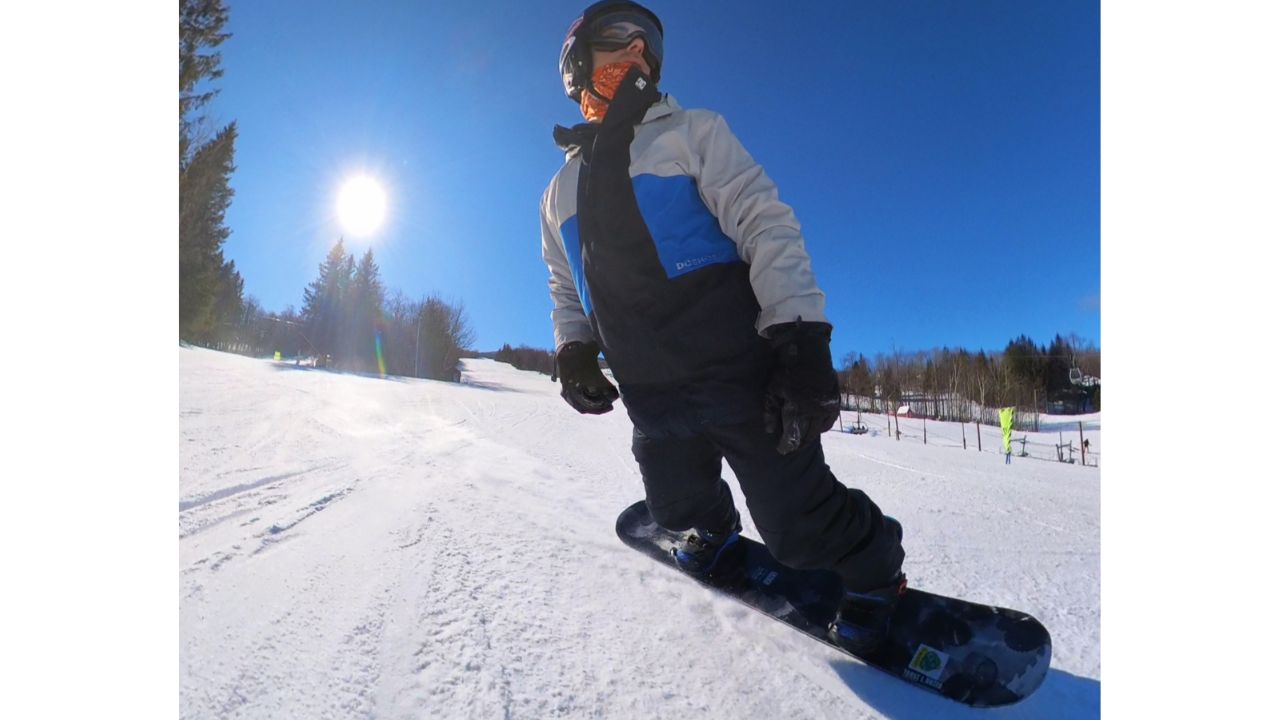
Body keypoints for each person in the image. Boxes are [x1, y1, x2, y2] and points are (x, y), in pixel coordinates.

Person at [540, 0, 905, 655]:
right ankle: (711, 529)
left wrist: (800, 337)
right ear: (576, 63)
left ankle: (876, 573)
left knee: (801, 528)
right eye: (619, 40)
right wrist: (574, 348)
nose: (638, 54)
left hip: (741, 374)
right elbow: (566, 285)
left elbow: (767, 224)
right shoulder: (558, 192)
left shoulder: (691, 133)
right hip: (651, 392)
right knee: (676, 508)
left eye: (648, 46)